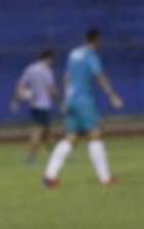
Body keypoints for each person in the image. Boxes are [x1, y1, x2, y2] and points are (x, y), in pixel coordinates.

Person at [42, 28, 124, 188]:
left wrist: (66, 100)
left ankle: (49, 176)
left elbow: (67, 77)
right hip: (84, 101)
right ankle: (105, 179)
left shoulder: (74, 54)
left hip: (71, 100)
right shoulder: (91, 56)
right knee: (95, 135)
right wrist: (112, 95)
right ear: (97, 40)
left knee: (70, 138)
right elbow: (99, 76)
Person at [10, 49, 59, 163]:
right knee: (38, 131)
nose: (52, 62)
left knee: (48, 132)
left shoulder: (30, 69)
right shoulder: (47, 71)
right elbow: (52, 89)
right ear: (48, 58)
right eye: (52, 60)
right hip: (44, 105)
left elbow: (21, 85)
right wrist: (59, 101)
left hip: (34, 105)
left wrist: (16, 101)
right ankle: (32, 158)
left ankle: (56, 156)